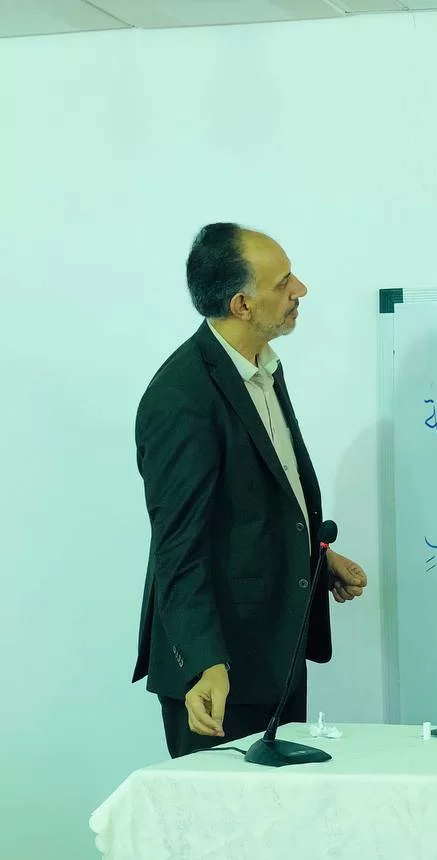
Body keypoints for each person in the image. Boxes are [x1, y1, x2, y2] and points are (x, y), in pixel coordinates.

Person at [134, 223, 368, 759]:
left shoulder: (261, 370)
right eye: (283, 283)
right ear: (241, 304)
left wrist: (315, 556)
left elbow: (255, 504)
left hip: (274, 654)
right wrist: (204, 663)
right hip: (218, 675)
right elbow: (177, 548)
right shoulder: (181, 398)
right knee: (222, 814)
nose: (300, 290)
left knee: (283, 809)